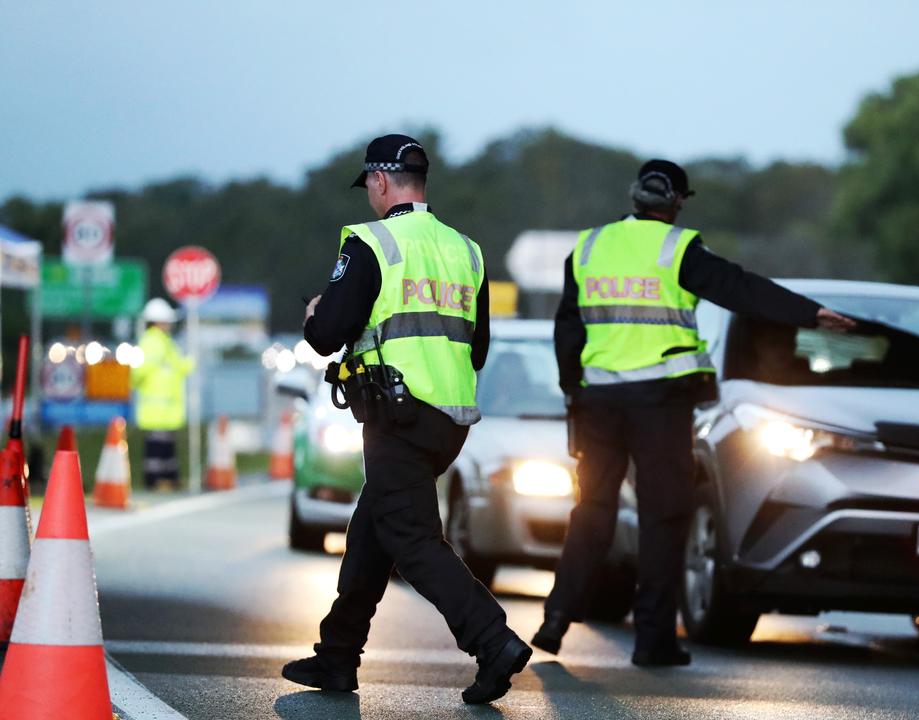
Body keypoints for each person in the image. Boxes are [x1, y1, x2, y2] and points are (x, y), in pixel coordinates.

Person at [533, 159, 856, 666]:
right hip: (659, 402)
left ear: (635, 197)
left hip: (600, 403)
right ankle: (653, 639)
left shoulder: (590, 246)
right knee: (664, 516)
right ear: (678, 202)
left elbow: (567, 328)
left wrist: (574, 393)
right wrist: (808, 313)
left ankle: (556, 618)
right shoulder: (678, 248)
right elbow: (739, 288)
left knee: (592, 510)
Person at [283, 134, 531, 704]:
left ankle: (493, 640)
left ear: (379, 181)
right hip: (449, 420)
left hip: (395, 413)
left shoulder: (372, 243)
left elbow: (325, 336)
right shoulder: (465, 249)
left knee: (412, 537)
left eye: (369, 184)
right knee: (373, 530)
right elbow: (479, 345)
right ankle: (337, 657)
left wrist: (316, 312)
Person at [131, 298, 193, 490]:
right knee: (157, 447)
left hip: (166, 408)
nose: (169, 325)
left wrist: (192, 360)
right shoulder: (152, 342)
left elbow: (178, 367)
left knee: (166, 446)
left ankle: (168, 478)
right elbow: (138, 371)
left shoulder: (165, 343)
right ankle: (155, 480)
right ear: (157, 322)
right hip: (156, 408)